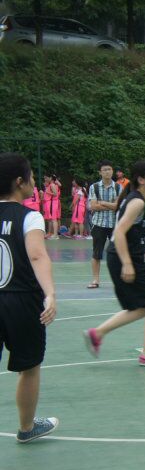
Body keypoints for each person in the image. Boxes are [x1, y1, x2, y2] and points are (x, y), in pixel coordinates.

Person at [83, 160, 145, 367]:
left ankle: (97, 333)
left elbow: (141, 234)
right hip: (125, 258)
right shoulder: (137, 202)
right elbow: (119, 232)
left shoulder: (139, 199)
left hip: (123, 257)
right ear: (141, 179)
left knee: (143, 307)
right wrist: (127, 263)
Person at [0, 153, 59, 443]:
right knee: (29, 367)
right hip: (22, 300)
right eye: (32, 176)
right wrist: (50, 293)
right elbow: (37, 255)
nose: (35, 181)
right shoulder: (30, 216)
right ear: (19, 182)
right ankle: (26, 428)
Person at [87, 160, 122, 289]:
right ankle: (95, 280)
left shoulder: (118, 187)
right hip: (98, 224)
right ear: (100, 172)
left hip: (115, 225)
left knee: (118, 252)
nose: (107, 172)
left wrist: (102, 203)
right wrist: (111, 205)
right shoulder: (94, 187)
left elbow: (118, 206)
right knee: (96, 253)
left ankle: (119, 279)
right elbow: (93, 206)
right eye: (105, 170)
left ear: (112, 171)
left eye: (109, 169)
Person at [43, 174, 61, 238]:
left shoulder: (52, 185)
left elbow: (55, 194)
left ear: (50, 178)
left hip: (53, 203)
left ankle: (55, 234)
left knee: (54, 219)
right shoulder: (52, 184)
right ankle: (52, 233)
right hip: (52, 203)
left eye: (46, 178)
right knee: (52, 219)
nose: (45, 179)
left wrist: (48, 192)